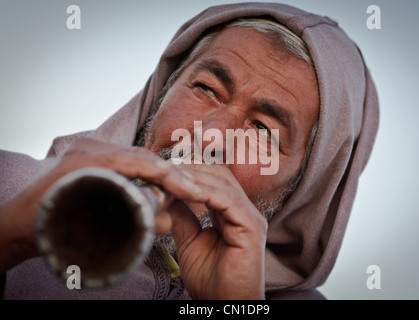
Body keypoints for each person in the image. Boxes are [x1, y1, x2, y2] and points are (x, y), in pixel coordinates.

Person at [0, 2, 379, 300]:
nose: (211, 137)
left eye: (263, 128)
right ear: (161, 93)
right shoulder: (8, 188)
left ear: (305, 187)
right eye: (207, 89)